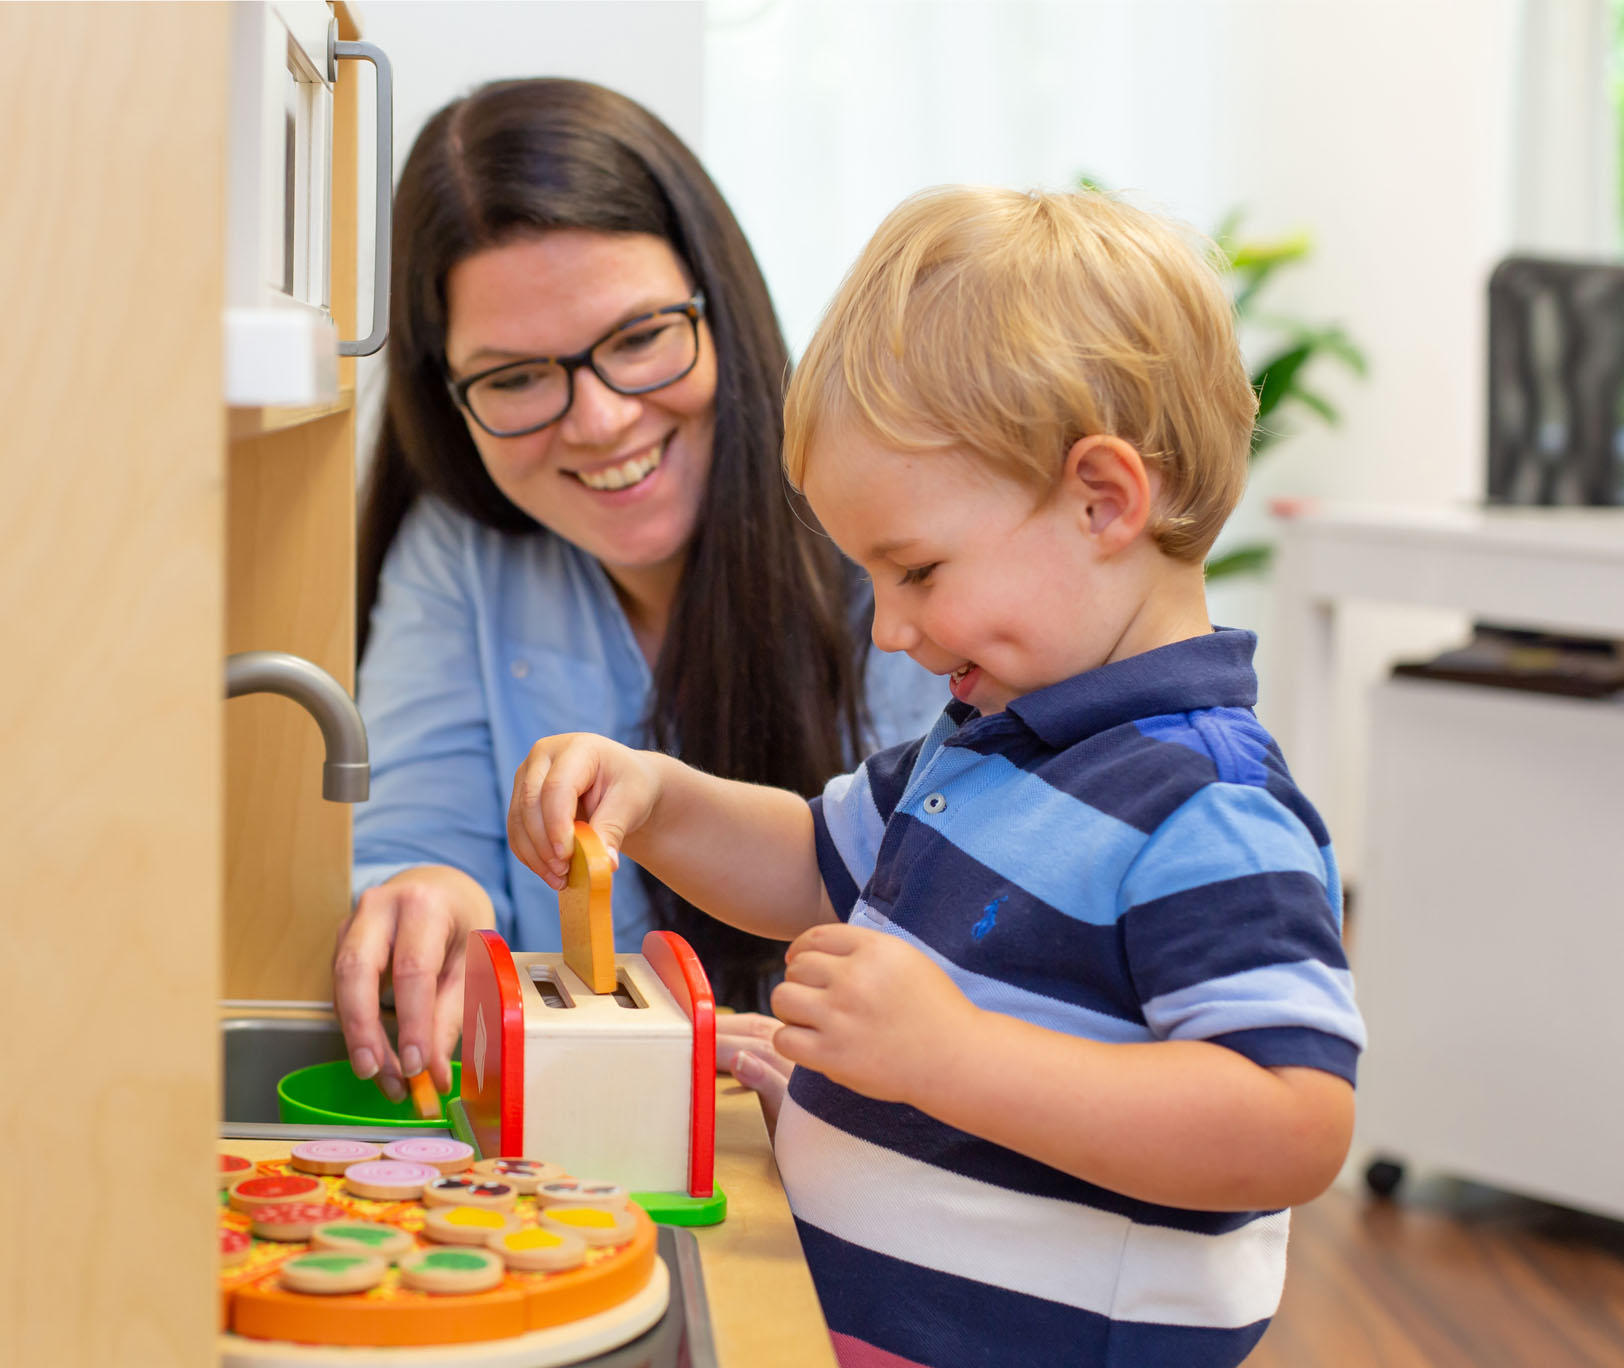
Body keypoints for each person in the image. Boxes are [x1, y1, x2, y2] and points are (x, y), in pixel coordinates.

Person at [507, 186, 1364, 1368]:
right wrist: (655, 798)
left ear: (1102, 500)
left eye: (914, 572)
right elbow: (805, 862)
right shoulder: (991, 743)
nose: (889, 630)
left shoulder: (1207, 806)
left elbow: (1290, 1123)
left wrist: (950, 1058)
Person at [337, 79, 949, 1106]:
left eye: (636, 339)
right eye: (514, 378)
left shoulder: (889, 533)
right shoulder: (458, 551)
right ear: (447, 397)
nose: (599, 421)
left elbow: (970, 911)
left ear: (718, 305)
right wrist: (423, 897)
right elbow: (414, 844)